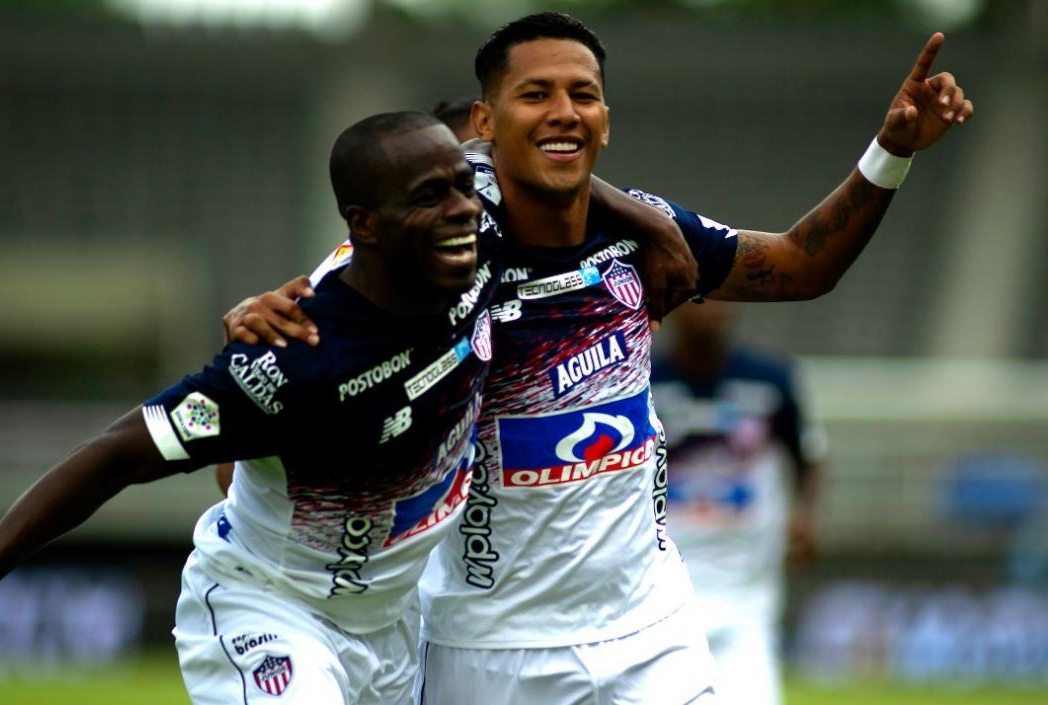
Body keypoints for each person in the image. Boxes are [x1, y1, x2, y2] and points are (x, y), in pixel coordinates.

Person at [227, 11, 973, 704]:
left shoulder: (643, 238)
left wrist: (892, 151)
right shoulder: (438, 261)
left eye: (583, 94)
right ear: (483, 124)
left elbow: (801, 264)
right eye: (536, 93)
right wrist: (248, 328)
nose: (564, 111)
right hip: (488, 648)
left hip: (653, 632)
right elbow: (287, 362)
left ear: (606, 121)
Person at [0, 111, 498, 705]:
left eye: (464, 187)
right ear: (366, 225)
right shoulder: (293, 358)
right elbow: (117, 454)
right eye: (430, 196)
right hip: (271, 607)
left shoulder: (484, 248)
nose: (464, 208)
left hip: (394, 622)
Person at [652, 300, 825, 705]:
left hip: (745, 588)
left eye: (717, 298)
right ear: (674, 303)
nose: (707, 310)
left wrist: (806, 516)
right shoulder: (641, 379)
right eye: (697, 298)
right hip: (662, 584)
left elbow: (810, 454)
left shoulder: (771, 378)